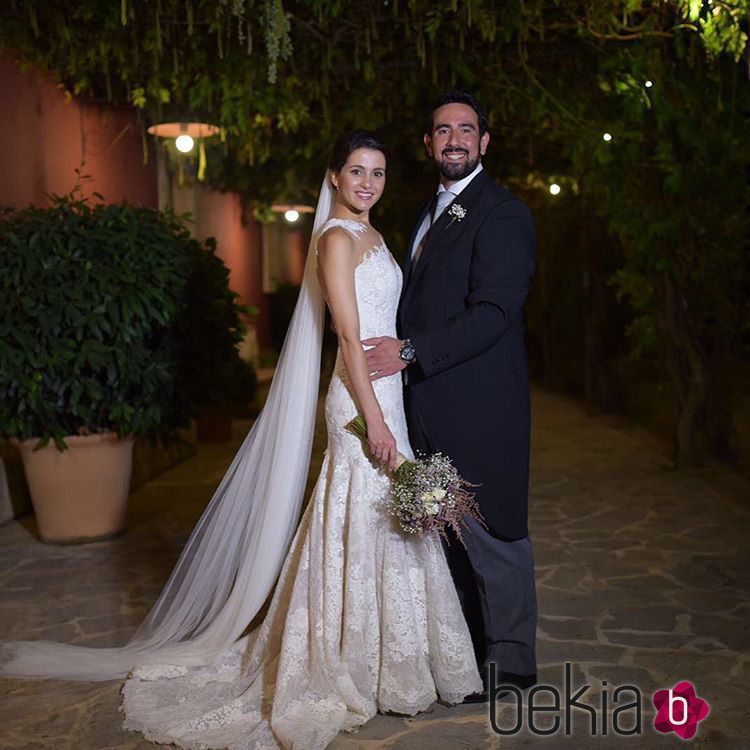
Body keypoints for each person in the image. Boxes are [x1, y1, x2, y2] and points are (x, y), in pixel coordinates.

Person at [1, 131, 482, 749]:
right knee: (359, 518)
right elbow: (346, 335)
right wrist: (376, 418)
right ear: (333, 177)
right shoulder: (336, 239)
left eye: (379, 172)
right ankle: (351, 665)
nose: (368, 182)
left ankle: (400, 665)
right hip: (360, 403)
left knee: (390, 521)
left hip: (386, 395)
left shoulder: (375, 236)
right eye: (357, 171)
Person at [364, 91, 538, 701]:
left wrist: (408, 352)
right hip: (426, 406)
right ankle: (466, 655)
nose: (455, 139)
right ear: (429, 143)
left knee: (496, 533)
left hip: (481, 407)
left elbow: (493, 312)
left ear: (485, 142)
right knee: (447, 535)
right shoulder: (424, 211)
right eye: (443, 130)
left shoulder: (503, 212)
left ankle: (513, 665)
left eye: (467, 130)